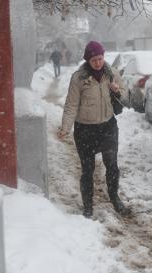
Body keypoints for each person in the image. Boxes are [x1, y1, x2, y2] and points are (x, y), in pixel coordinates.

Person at [57, 41, 130, 218]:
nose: (98, 62)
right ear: (88, 59)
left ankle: (114, 197)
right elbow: (71, 105)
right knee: (87, 170)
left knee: (112, 166)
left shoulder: (111, 73)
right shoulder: (79, 78)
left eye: (100, 58)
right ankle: (88, 205)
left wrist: (117, 91)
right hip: (85, 131)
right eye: (94, 59)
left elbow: (127, 95)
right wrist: (65, 127)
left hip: (108, 127)